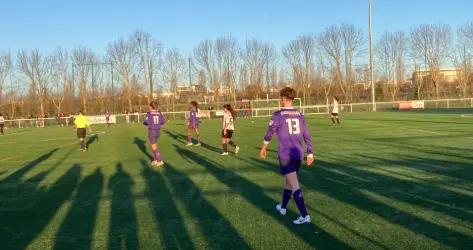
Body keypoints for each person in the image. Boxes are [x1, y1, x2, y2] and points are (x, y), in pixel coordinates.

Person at [259, 87, 314, 225]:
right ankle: (283, 207)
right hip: (298, 153)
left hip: (286, 154)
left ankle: (304, 215)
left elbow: (270, 132)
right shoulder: (300, 115)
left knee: (294, 184)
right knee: (289, 182)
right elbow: (307, 135)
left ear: (283, 98)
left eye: (281, 97)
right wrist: (310, 152)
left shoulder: (278, 115)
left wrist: (264, 147)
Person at [143, 101, 166, 167]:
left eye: (149, 106)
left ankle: (159, 160)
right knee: (154, 146)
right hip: (158, 131)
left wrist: (144, 123)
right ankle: (155, 159)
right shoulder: (159, 113)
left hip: (152, 131)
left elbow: (146, 122)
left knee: (154, 147)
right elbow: (163, 121)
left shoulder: (149, 113)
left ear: (151, 106)